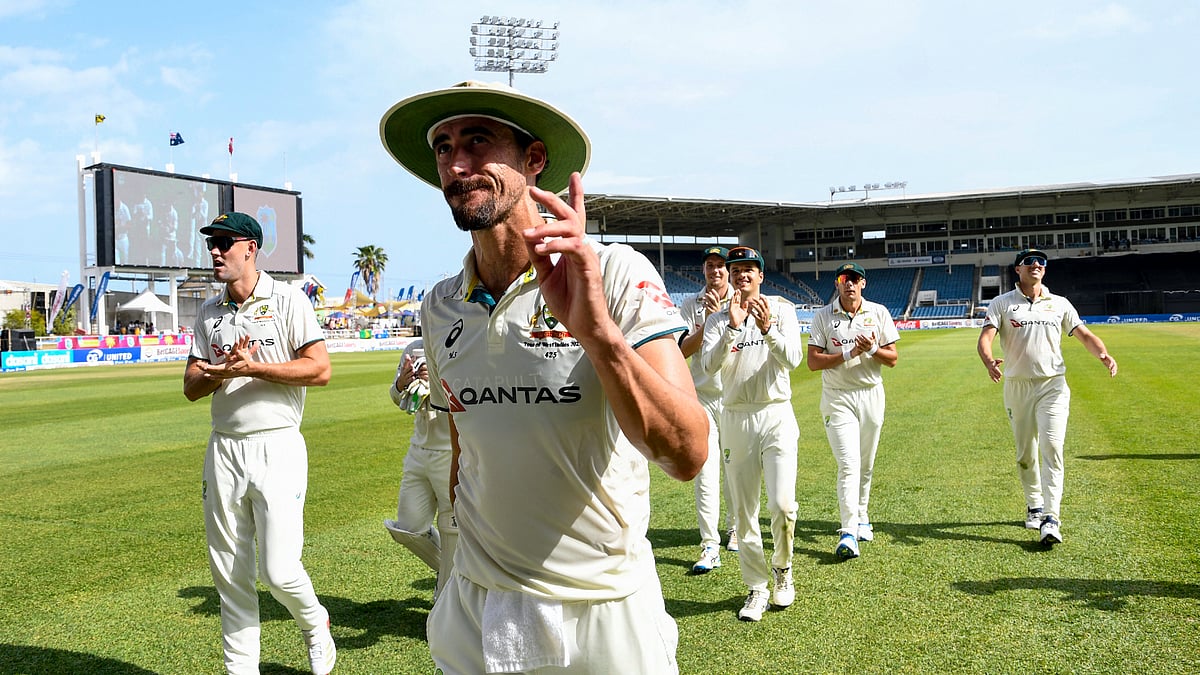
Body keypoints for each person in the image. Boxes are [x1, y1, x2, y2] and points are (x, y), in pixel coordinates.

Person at [379, 80, 709, 673]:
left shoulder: (612, 271)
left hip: (601, 605)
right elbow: (465, 442)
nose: (456, 164)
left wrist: (599, 334)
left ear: (534, 161)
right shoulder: (440, 304)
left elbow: (687, 452)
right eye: (444, 148)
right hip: (478, 602)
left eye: (478, 142)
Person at [183, 212, 336, 675]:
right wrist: (219, 374)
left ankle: (315, 624)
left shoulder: (288, 299)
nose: (214, 251)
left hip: (277, 447)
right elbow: (191, 384)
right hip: (224, 449)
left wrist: (253, 368)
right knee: (230, 576)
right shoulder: (209, 310)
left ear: (250, 248)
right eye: (211, 242)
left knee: (280, 571)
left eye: (224, 243)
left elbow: (319, 369)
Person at [977, 248, 1118, 547]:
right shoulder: (1002, 303)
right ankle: (1034, 504)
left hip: (1053, 385)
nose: (1036, 265)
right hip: (1017, 386)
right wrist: (989, 360)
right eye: (1029, 262)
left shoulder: (1060, 303)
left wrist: (1102, 353)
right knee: (1025, 454)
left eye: (1041, 261)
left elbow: (1084, 334)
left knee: (1052, 448)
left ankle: (1051, 518)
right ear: (1018, 269)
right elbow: (986, 338)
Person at [699, 245, 803, 622]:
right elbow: (709, 368)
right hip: (736, 417)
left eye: (750, 270)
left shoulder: (783, 309)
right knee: (744, 513)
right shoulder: (716, 321)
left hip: (776, 414)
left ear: (761, 276)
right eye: (736, 269)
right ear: (729, 276)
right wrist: (730, 327)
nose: (742, 275)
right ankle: (757, 587)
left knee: (783, 506)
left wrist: (766, 328)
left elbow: (793, 358)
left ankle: (783, 570)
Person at [805, 262, 899, 560]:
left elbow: (893, 358)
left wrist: (871, 350)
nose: (850, 284)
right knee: (849, 463)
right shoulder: (823, 316)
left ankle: (862, 516)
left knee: (866, 463)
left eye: (855, 279)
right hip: (837, 397)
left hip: (871, 393)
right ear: (837, 283)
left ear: (863, 284)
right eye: (845, 279)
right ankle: (847, 532)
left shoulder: (879, 312)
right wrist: (849, 353)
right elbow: (813, 362)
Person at [678, 245, 738, 573]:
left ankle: (735, 528)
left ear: (728, 270)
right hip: (701, 396)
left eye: (720, 265)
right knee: (705, 470)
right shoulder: (690, 304)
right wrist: (709, 322)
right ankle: (709, 544)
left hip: (734, 396)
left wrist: (726, 318)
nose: (715, 270)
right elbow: (681, 350)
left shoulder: (742, 299)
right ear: (703, 270)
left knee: (736, 469)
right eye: (710, 265)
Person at [383, 337, 457, 601]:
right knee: (408, 527)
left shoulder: (466, 340)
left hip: (452, 450)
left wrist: (434, 380)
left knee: (453, 527)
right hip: (418, 449)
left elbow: (471, 396)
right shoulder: (414, 347)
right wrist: (402, 383)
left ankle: (448, 597)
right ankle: (460, 574)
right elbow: (396, 396)